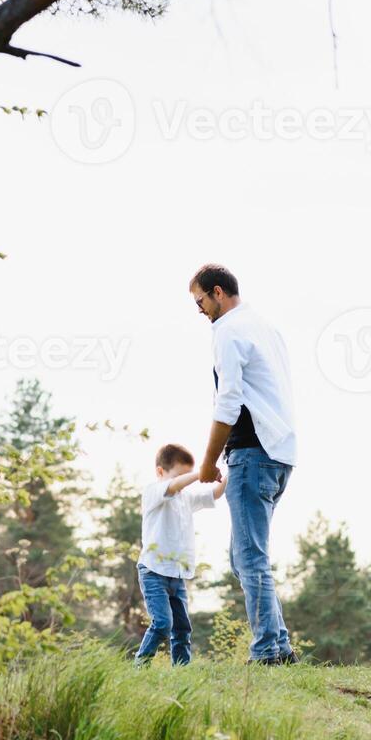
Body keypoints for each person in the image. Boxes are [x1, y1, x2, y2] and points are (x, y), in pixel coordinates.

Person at [189, 263, 299, 665]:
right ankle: (280, 645)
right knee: (243, 556)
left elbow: (229, 402)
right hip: (279, 452)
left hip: (253, 453)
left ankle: (269, 650)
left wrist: (207, 463)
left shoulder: (229, 331)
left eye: (200, 300)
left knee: (249, 557)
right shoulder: (264, 327)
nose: (199, 309)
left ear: (218, 293)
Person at [136, 443, 226, 665]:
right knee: (162, 623)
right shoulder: (153, 491)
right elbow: (174, 486)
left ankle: (181, 670)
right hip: (153, 571)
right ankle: (141, 663)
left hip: (177, 574)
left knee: (182, 628)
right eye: (180, 476)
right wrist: (199, 473)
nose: (185, 482)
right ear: (160, 472)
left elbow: (214, 493)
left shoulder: (185, 498)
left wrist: (227, 470)